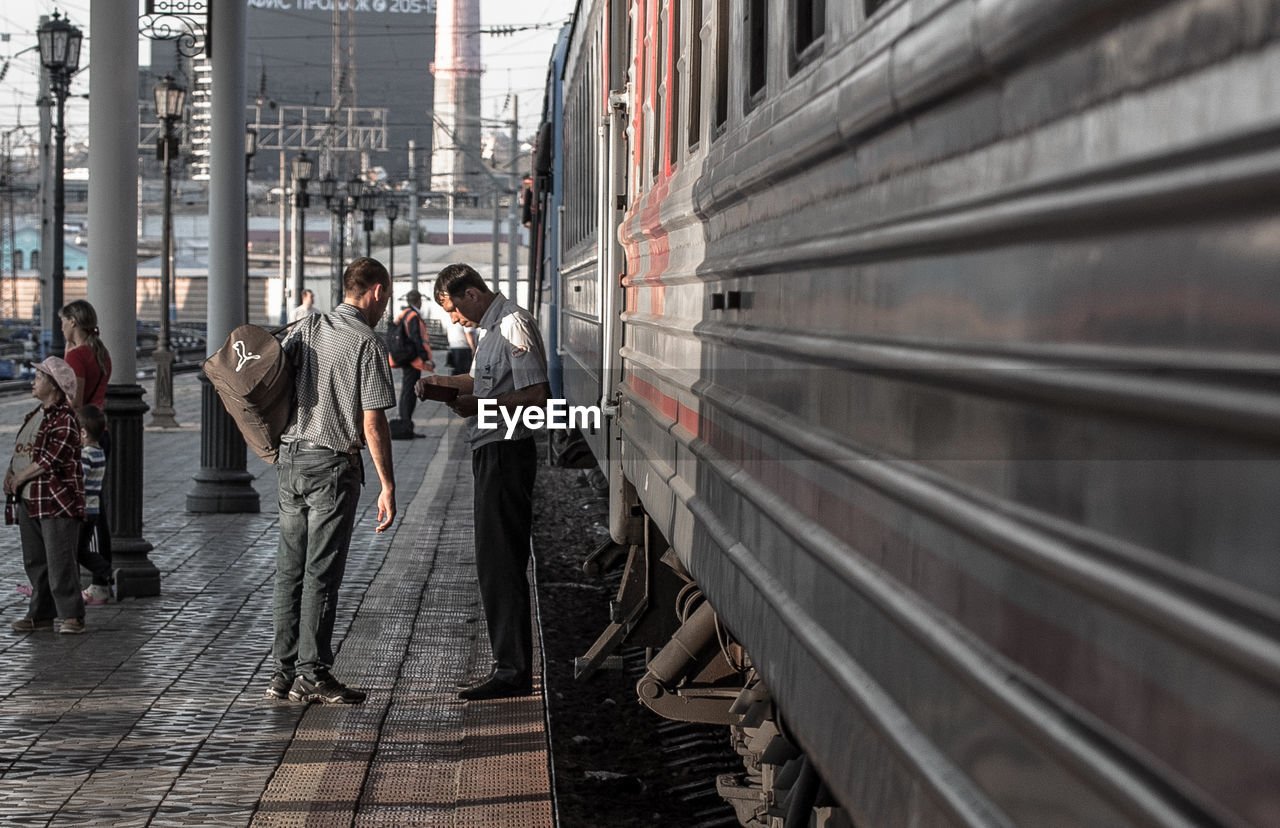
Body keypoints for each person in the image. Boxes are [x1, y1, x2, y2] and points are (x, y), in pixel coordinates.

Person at [267, 257, 398, 705]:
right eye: (388, 295)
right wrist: (387, 484)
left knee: (290, 571)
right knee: (321, 573)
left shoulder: (306, 328)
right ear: (377, 291)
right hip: (331, 468)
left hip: (291, 461)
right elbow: (373, 421)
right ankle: (314, 674)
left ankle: (282, 673)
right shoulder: (367, 343)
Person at [416, 263, 549, 700]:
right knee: (492, 561)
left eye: (453, 309)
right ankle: (508, 665)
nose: (454, 320)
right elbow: (482, 381)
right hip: (491, 450)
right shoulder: (492, 332)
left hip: (507, 451)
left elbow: (535, 395)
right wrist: (445, 384)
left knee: (501, 563)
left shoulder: (513, 325)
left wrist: (481, 405)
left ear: (471, 294)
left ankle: (512, 672)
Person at [6, 357, 86, 635]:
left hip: (56, 500)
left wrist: (20, 477)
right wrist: (11, 475)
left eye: (38, 377)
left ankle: (72, 615)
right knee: (36, 560)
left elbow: (48, 460)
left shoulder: (64, 419)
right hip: (31, 498)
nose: (33, 381)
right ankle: (40, 614)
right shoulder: (35, 415)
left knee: (60, 559)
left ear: (53, 385)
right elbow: (24, 450)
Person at [58, 300, 113, 590]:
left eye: (64, 321)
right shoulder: (100, 353)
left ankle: (98, 575)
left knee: (84, 508)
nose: (62, 326)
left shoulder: (77, 356)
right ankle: (101, 575)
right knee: (97, 505)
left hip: (83, 433)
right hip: (101, 428)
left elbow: (75, 401)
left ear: (73, 323)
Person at [76, 405, 113, 605]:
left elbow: (78, 479)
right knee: (79, 549)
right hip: (94, 509)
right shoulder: (99, 452)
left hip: (83, 511)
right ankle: (108, 572)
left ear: (83, 433)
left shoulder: (86, 455)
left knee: (77, 550)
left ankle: (107, 572)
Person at [388, 289, 434, 439]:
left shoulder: (404, 314)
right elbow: (416, 338)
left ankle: (405, 424)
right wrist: (425, 357)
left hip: (405, 357)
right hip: (413, 359)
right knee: (409, 393)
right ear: (418, 301)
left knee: (407, 392)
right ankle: (405, 426)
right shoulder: (413, 316)